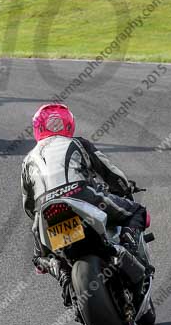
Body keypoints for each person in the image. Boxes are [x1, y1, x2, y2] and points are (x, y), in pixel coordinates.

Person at [21, 103, 149, 306]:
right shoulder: (78, 143)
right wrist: (124, 189)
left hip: (45, 210)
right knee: (138, 212)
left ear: (38, 128)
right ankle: (127, 247)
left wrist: (38, 220)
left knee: (39, 258)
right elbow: (111, 173)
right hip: (81, 195)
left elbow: (28, 205)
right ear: (69, 125)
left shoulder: (28, 160)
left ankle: (63, 274)